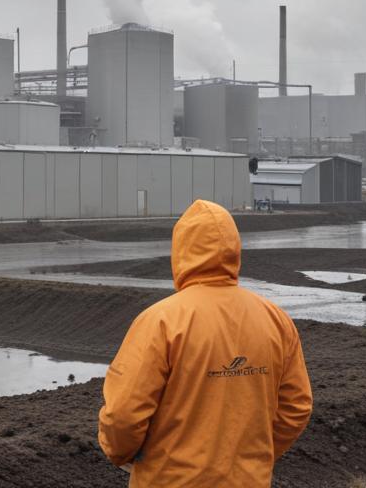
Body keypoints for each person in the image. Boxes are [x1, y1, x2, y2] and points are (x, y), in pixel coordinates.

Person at [98, 199, 313, 486]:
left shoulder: (161, 322)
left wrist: (120, 453)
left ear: (181, 250)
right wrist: (254, 459)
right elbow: (296, 407)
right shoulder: (275, 319)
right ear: (234, 249)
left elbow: (123, 415)